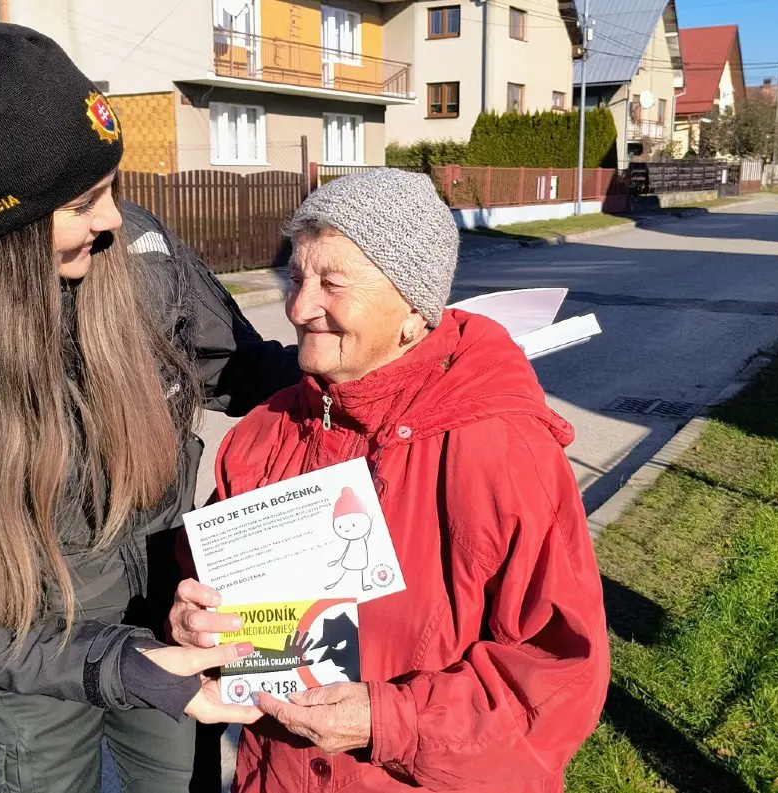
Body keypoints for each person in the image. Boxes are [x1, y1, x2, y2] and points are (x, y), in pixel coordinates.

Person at [0, 24, 299, 793]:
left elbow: (243, 368)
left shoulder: (136, 250)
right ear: (0, 225)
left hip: (168, 611)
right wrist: (108, 665)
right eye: (83, 202)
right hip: (21, 657)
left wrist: (364, 365)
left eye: (111, 186)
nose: (116, 219)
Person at [171, 169, 610, 792]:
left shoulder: (498, 446)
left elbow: (558, 676)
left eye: (333, 282)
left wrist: (392, 719)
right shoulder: (265, 431)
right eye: (296, 278)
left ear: (412, 308)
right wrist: (192, 621)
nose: (299, 307)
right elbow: (209, 593)